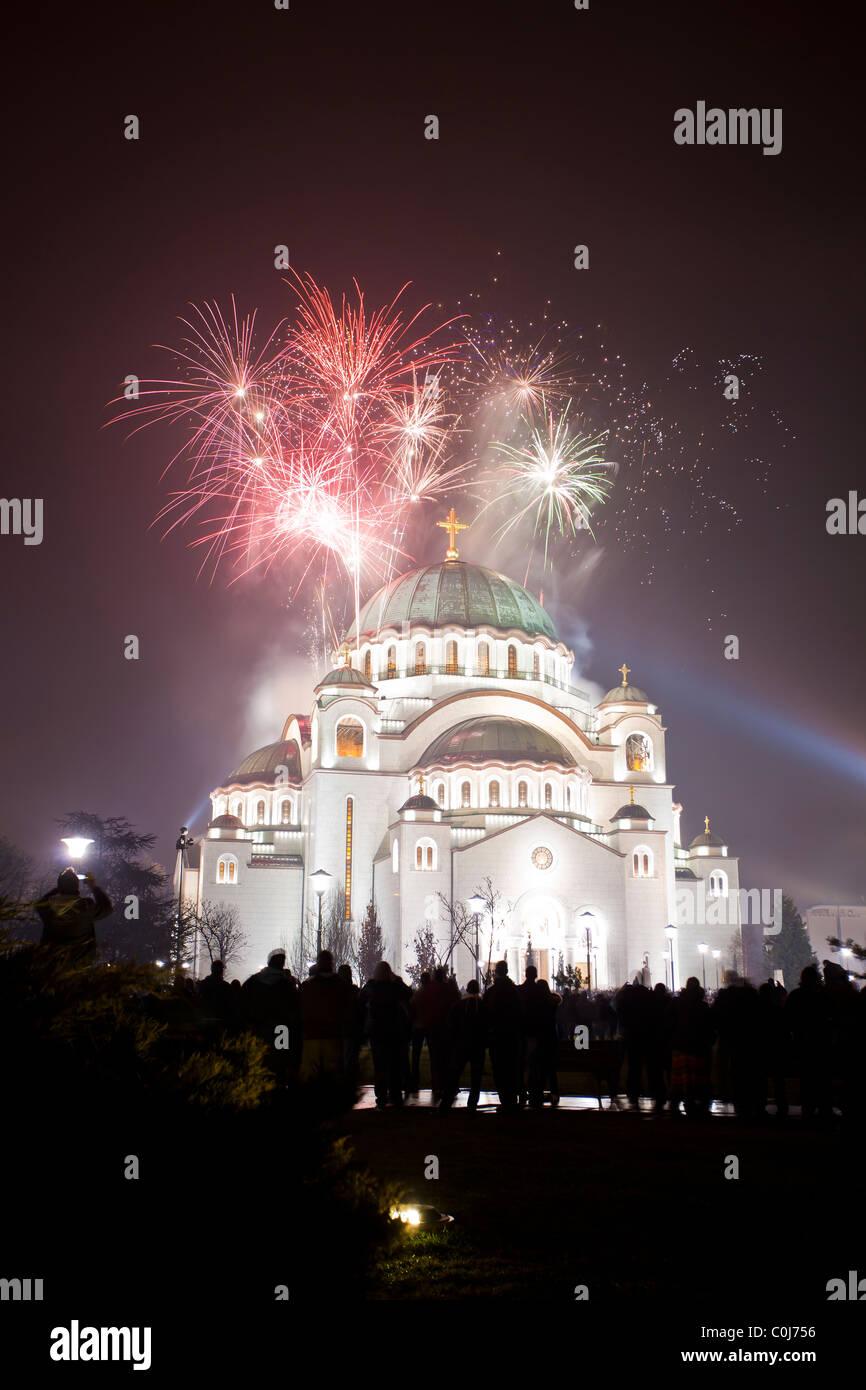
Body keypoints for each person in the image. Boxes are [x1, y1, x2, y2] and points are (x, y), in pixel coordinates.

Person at [241, 949, 301, 1083]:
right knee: (281, 1062)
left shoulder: (253, 981)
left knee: (260, 1060)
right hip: (282, 1030)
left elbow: (242, 1003)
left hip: (259, 1028)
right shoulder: (286, 984)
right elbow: (295, 1009)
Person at [360, 962, 412, 1108]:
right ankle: (395, 1095)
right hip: (393, 1031)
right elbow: (408, 993)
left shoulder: (371, 987)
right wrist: (397, 980)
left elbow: (360, 998)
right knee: (394, 1065)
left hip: (377, 1032)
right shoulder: (395, 987)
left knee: (380, 1065)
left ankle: (381, 1095)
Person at [299, 949, 354, 1082]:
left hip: (312, 1036)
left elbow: (301, 1011)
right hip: (333, 1036)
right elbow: (347, 1010)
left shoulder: (307, 986)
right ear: (332, 963)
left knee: (311, 1075)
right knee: (332, 1075)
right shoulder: (341, 986)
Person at [36, 868, 112, 954]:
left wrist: (61, 886)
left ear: (60, 886)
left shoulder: (47, 907)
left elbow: (40, 903)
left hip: (51, 960)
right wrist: (93, 886)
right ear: (77, 886)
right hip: (80, 960)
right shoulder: (86, 906)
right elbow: (107, 908)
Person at [668, 976, 714, 1117]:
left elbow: (669, 1022)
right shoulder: (703, 1006)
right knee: (700, 1078)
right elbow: (709, 1026)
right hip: (699, 1047)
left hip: (681, 1046)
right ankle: (700, 1104)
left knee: (680, 1078)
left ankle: (676, 1104)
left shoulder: (676, 1003)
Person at [441, 979, 487, 1110]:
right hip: (477, 1045)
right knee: (476, 1077)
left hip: (461, 1044)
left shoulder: (459, 1005)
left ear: (467, 989)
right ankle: (472, 1104)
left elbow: (451, 1023)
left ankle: (445, 1104)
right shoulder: (482, 1005)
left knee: (454, 1074)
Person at [484, 960, 523, 1110]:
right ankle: (511, 1098)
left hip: (498, 1035)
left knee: (499, 1067)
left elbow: (487, 1013)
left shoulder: (493, 992)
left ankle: (505, 1099)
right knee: (512, 1066)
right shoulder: (514, 990)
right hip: (512, 1035)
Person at [199, 958, 235, 1031]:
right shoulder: (225, 986)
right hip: (221, 1020)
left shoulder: (203, 984)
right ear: (221, 970)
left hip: (205, 1020)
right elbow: (230, 1005)